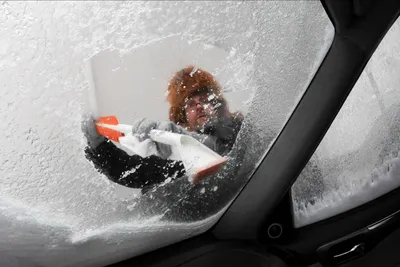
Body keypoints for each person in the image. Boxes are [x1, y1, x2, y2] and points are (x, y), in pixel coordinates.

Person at [82, 65, 244, 195]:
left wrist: (185, 138)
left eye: (204, 100)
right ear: (183, 117)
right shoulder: (170, 152)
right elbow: (130, 172)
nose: (200, 106)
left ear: (218, 105)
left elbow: (222, 146)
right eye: (191, 104)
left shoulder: (241, 129)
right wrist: (98, 144)